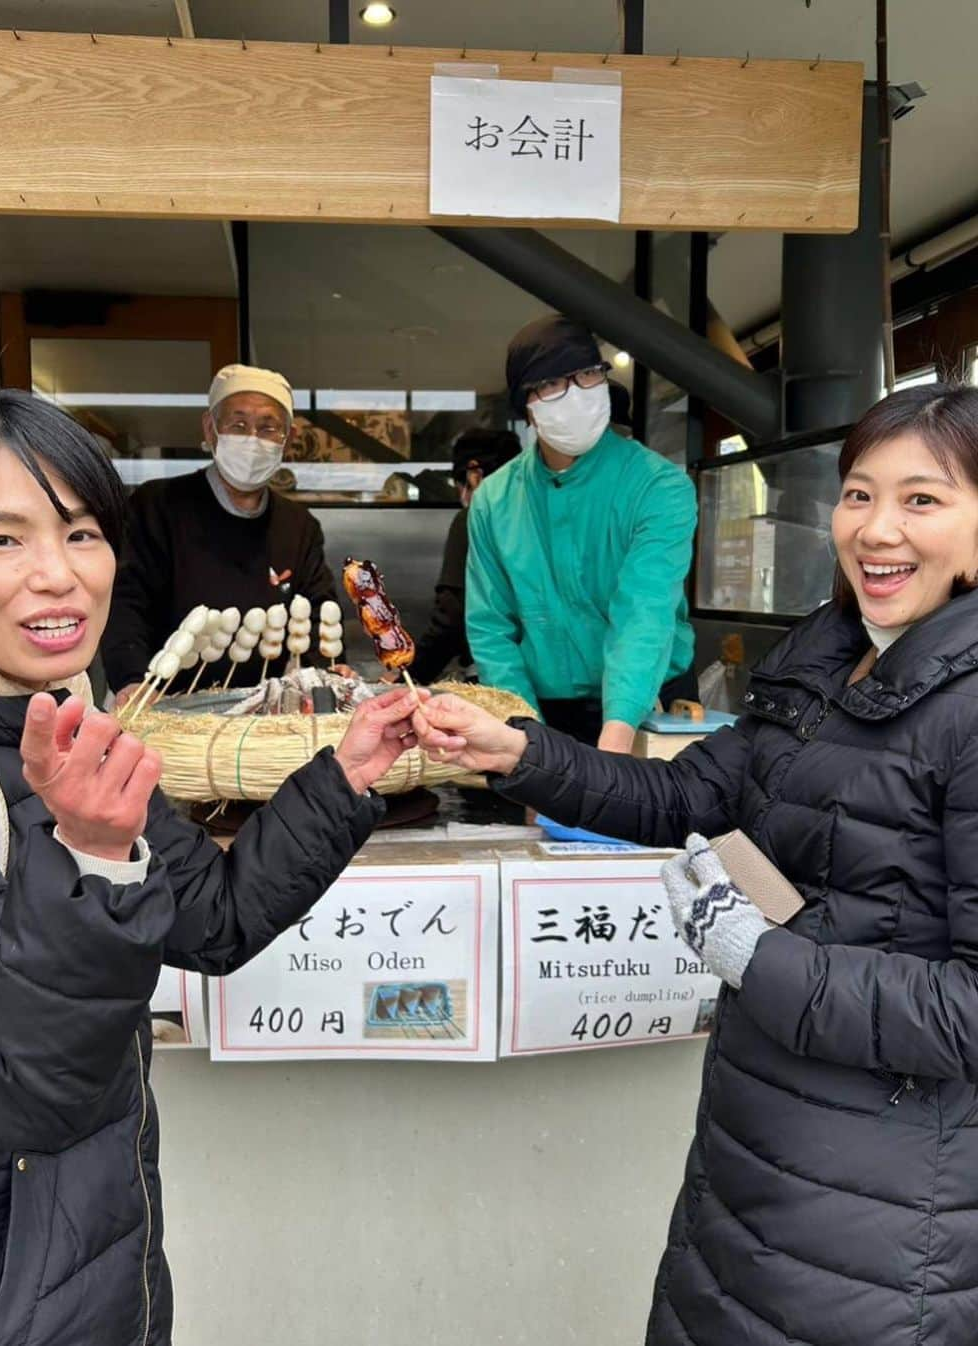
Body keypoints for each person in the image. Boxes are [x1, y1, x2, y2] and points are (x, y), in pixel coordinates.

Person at [414, 383, 978, 1345]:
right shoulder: (831, 653)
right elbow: (685, 795)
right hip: (756, 1149)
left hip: (885, 1210)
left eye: (922, 500)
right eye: (858, 495)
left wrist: (759, 957)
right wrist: (518, 751)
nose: (878, 530)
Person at [0, 391, 418, 1346]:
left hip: (105, 1268)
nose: (56, 577)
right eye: (2, 542)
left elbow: (211, 919)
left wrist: (343, 776)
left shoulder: (73, 723)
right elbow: (12, 1093)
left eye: (82, 533)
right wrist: (90, 857)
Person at [466, 314, 697, 753]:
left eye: (588, 374)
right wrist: (531, 746)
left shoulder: (658, 486)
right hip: (538, 709)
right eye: (553, 384)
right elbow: (491, 628)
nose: (577, 394)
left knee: (644, 816)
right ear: (527, 407)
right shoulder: (494, 501)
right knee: (542, 822)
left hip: (649, 703)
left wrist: (614, 745)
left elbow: (644, 613)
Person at [102, 364, 336, 705]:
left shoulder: (298, 526)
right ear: (211, 430)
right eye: (238, 425)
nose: (252, 439)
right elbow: (124, 601)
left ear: (289, 439)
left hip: (257, 709)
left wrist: (326, 671)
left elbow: (316, 613)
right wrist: (130, 678)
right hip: (156, 703)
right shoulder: (157, 506)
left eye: (268, 427)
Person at [399, 427, 521, 686]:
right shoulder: (540, 516)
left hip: (496, 675)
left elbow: (452, 616)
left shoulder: (474, 518)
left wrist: (407, 678)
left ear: (474, 474)